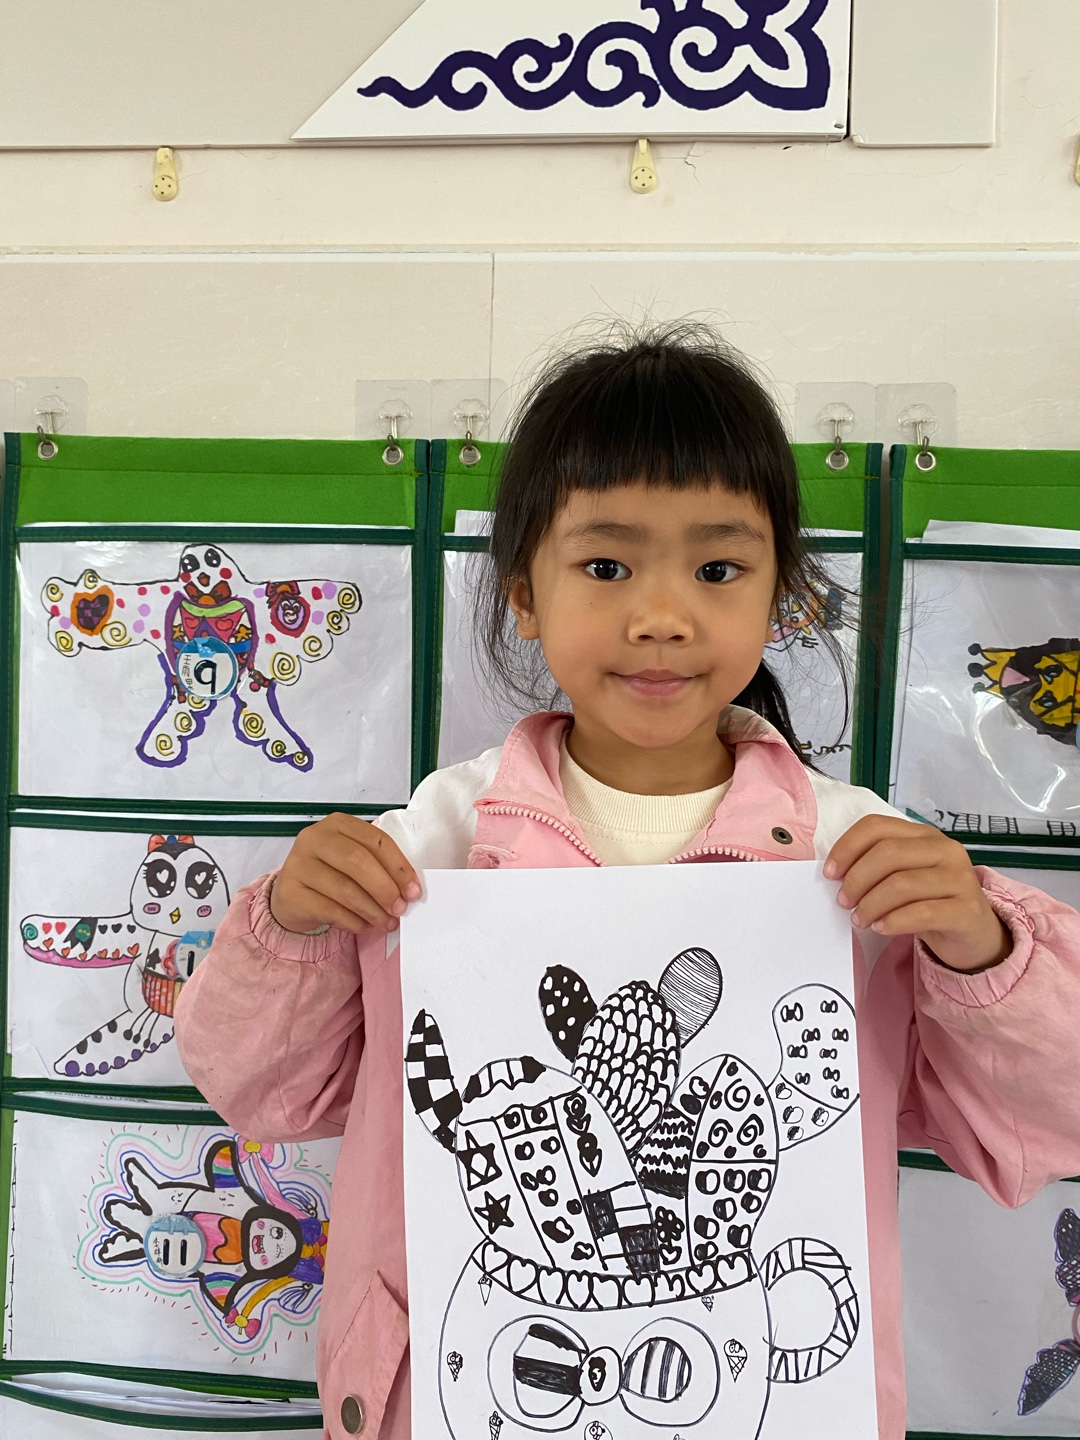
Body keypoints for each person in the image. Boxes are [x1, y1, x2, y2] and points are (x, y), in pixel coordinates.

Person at [176, 321, 1080, 1440]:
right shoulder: (434, 843)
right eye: (606, 567)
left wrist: (985, 954)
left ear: (780, 596)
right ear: (524, 594)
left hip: (752, 1395)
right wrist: (291, 926)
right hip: (466, 1386)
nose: (662, 616)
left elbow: (1043, 1123)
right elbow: (261, 1090)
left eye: (718, 569)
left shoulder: (861, 859)